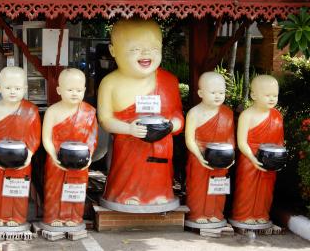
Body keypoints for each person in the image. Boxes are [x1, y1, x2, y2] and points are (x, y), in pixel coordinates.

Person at [98, 18, 184, 207]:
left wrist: (170, 126)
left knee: (158, 170)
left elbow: (178, 115)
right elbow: (105, 119)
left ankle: (159, 193)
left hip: (161, 143)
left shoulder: (168, 81)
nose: (146, 54)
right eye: (135, 49)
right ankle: (125, 194)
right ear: (113, 51)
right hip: (128, 145)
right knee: (128, 171)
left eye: (153, 48)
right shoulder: (110, 83)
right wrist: (128, 129)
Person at [0, 66, 41, 227]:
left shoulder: (31, 111)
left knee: (17, 189)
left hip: (21, 159)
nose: (13, 91)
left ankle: (17, 217)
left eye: (17, 88)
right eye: (8, 88)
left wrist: (28, 155)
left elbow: (35, 137)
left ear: (25, 88)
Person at [42, 68, 98, 227]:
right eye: (70, 89)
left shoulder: (89, 112)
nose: (74, 93)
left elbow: (92, 138)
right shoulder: (52, 111)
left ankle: (74, 217)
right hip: (56, 159)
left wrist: (88, 157)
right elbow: (46, 137)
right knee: (54, 188)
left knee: (76, 188)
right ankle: (53, 216)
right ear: (59, 90)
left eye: (79, 90)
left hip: (81, 159)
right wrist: (54, 156)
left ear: (85, 90)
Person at [231, 75, 284, 225]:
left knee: (265, 190)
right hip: (250, 157)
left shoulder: (277, 116)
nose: (272, 99)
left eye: (275, 95)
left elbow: (279, 142)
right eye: (267, 95)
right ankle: (244, 215)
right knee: (247, 187)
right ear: (254, 95)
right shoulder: (247, 115)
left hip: (270, 159)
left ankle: (261, 213)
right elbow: (241, 142)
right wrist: (253, 158)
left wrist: (278, 159)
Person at [185, 72, 235, 224]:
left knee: (219, 186)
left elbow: (230, 138)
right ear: (201, 93)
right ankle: (197, 214)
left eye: (221, 92)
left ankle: (215, 213)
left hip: (222, 157)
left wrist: (230, 156)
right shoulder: (194, 112)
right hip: (199, 156)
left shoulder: (227, 113)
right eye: (213, 93)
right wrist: (199, 156)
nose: (218, 96)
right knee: (198, 187)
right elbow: (189, 139)